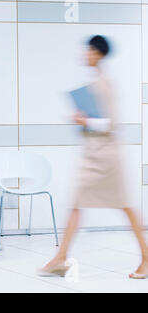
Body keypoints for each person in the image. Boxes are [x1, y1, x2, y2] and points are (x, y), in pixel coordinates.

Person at [39, 35, 148, 279]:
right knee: (76, 202)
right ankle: (60, 258)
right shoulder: (95, 81)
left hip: (108, 158)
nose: (85, 54)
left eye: (88, 50)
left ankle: (147, 258)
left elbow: (111, 123)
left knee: (126, 206)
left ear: (98, 53)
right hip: (93, 156)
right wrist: (83, 119)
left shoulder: (105, 83)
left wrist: (84, 120)